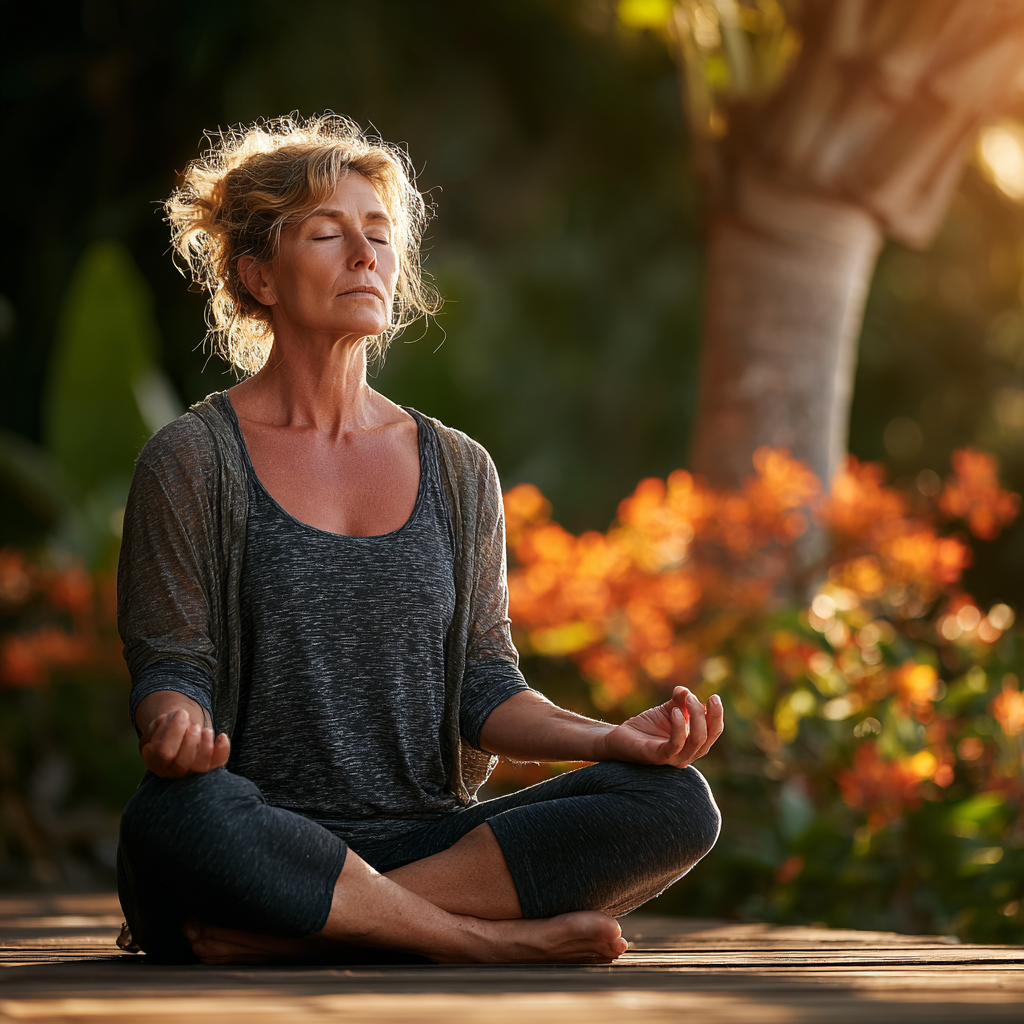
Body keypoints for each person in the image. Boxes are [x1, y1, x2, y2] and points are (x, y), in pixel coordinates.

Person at [116, 115, 724, 966]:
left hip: (430, 844)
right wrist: (176, 724)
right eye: (327, 233)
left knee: (676, 803)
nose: (365, 255)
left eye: (379, 233)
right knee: (172, 816)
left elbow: (486, 687)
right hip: (257, 838)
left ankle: (312, 932)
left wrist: (609, 739)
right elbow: (173, 666)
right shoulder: (191, 459)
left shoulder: (457, 469)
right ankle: (473, 942)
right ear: (257, 275)